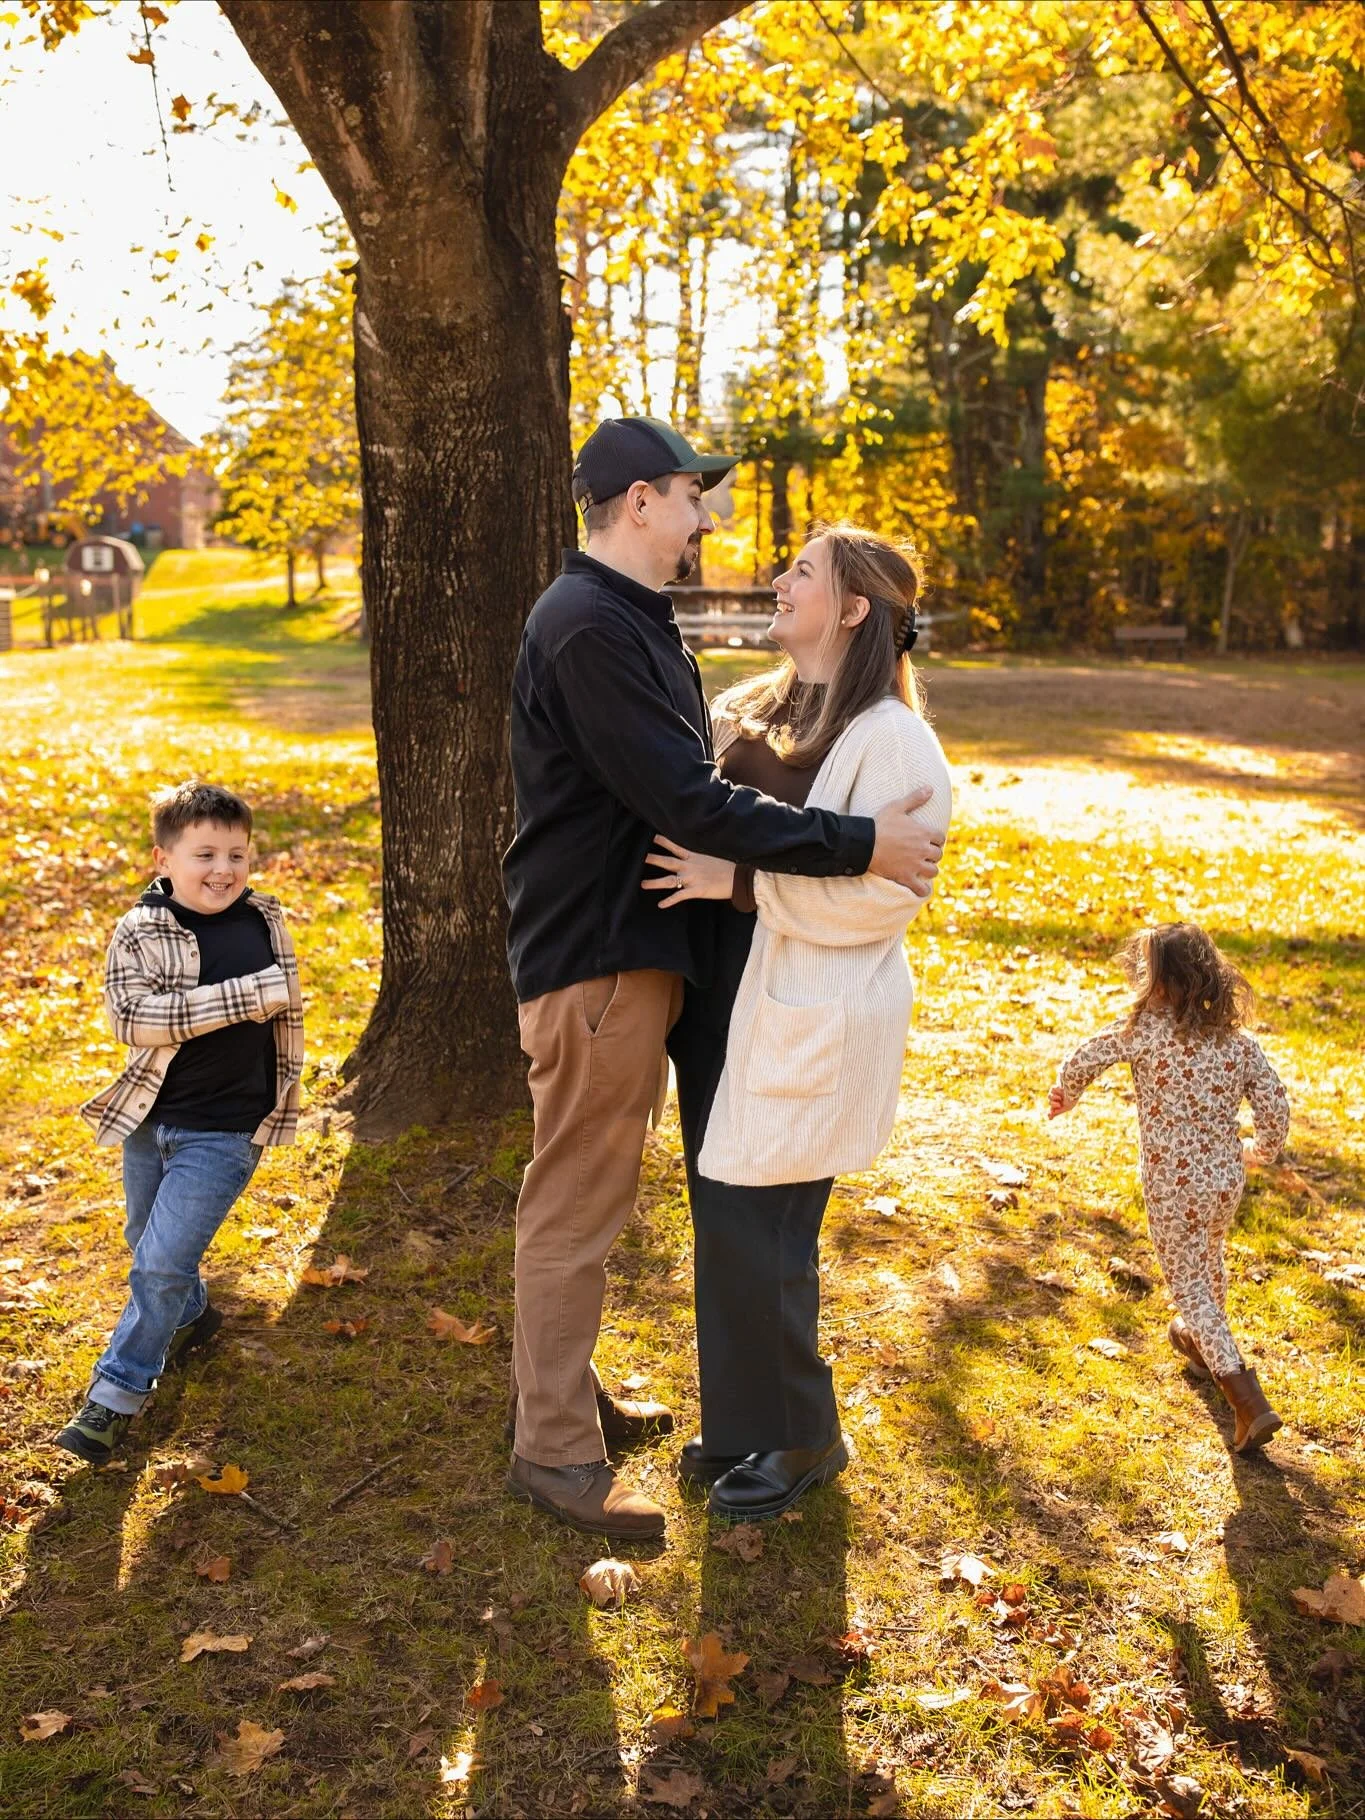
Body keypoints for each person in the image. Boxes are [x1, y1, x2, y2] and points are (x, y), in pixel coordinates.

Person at [501, 418, 946, 1539]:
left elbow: (719, 784)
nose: (711, 519)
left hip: (662, 969)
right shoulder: (591, 626)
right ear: (641, 500)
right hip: (599, 956)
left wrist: (759, 877)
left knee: (611, 1198)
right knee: (578, 1200)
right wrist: (854, 844)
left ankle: (578, 1399)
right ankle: (556, 1446)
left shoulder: (635, 623)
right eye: (695, 495)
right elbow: (692, 802)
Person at [643, 523, 952, 1519]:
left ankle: (803, 1432)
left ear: (854, 608)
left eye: (802, 572)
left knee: (767, 1226)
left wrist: (740, 884)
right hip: (730, 1001)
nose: (780, 581)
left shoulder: (894, 740)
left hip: (808, 1007)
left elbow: (882, 897)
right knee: (724, 1215)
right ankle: (742, 1424)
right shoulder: (776, 708)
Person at [55, 782, 304, 1466]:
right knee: (146, 1242)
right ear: (161, 858)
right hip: (150, 1118)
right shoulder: (139, 929)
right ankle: (193, 1315)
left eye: (237, 854)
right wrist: (244, 998)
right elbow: (133, 1020)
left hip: (226, 1131)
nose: (223, 869)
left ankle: (116, 1394)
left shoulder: (265, 922)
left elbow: (290, 1018)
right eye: (204, 854)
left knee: (162, 1260)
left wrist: (278, 1092)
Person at [1049, 922, 1290, 1453]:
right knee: (1209, 1259)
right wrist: (1261, 1150)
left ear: (1160, 984)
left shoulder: (1144, 1031)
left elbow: (1088, 1054)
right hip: (1224, 1181)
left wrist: (1066, 1092)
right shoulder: (1237, 1043)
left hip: (1170, 1185)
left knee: (1191, 1287)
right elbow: (1275, 1107)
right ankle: (1202, 1346)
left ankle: (1248, 1400)